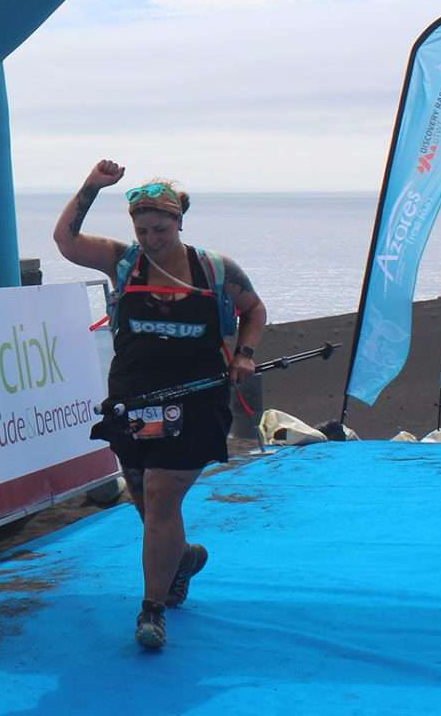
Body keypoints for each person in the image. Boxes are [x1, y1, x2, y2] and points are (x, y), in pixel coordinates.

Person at [54, 160, 267, 651]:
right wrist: (90, 186)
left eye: (161, 228)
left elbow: (254, 309)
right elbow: (66, 240)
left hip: (197, 399)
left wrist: (245, 354)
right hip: (135, 399)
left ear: (180, 222)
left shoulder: (215, 269)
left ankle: (151, 610)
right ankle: (183, 558)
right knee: (145, 499)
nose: (151, 238)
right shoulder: (123, 261)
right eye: (142, 229)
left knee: (161, 492)